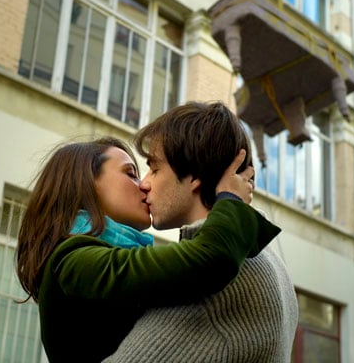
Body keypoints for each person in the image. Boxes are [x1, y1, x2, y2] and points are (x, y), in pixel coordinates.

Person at [15, 136, 281, 363]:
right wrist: (231, 200)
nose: (143, 184)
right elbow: (208, 260)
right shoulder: (72, 260)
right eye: (130, 173)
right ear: (86, 183)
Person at [104, 102, 299, 362]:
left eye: (155, 168)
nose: (145, 184)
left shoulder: (219, 274)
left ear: (195, 173)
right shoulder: (267, 260)